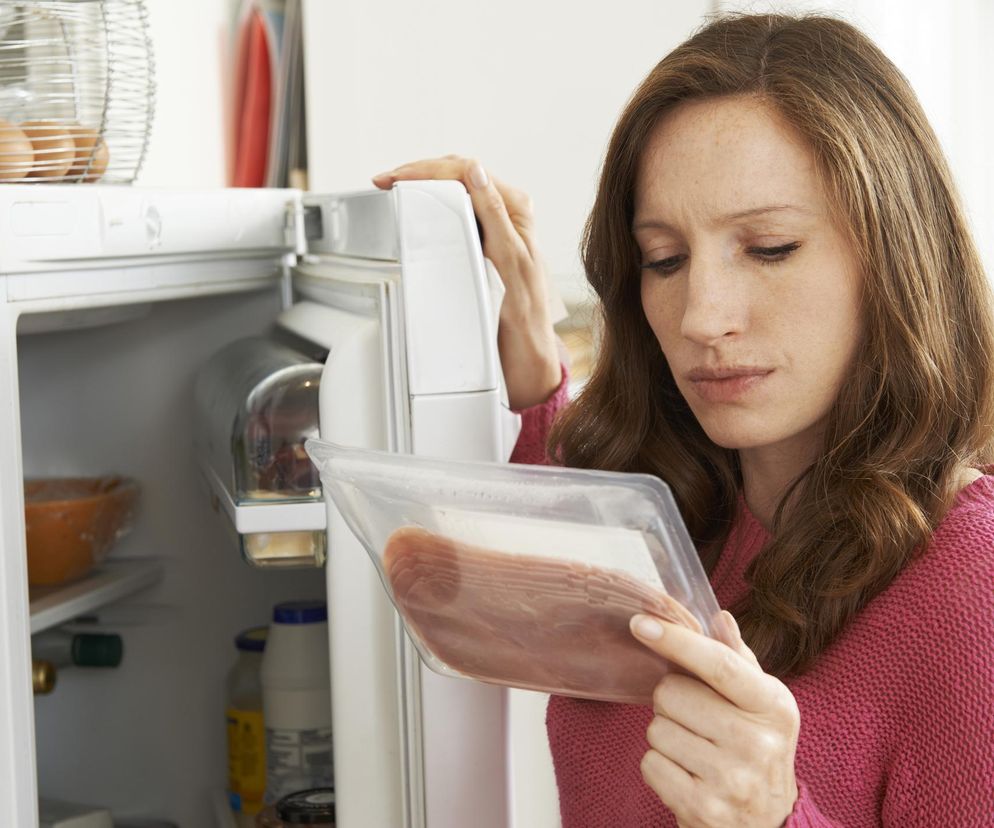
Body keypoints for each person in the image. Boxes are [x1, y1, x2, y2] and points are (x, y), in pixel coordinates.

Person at [372, 12, 994, 827]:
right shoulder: (671, 512)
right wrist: (528, 355)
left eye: (769, 248)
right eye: (664, 260)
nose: (702, 316)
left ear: (896, 257)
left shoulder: (970, 592)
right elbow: (517, 584)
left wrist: (771, 817)